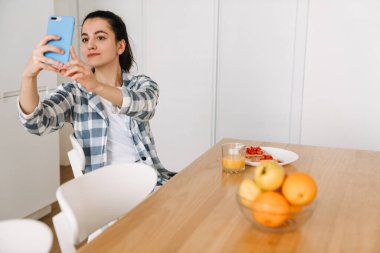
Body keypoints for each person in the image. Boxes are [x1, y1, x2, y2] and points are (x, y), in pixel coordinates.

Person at [18, 10, 176, 187]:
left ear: (120, 46)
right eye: (85, 39)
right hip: (106, 189)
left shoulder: (141, 84)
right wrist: (28, 76)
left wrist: (95, 86)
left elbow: (145, 106)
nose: (90, 45)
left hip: (150, 179)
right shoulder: (74, 92)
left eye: (100, 37)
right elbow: (36, 123)